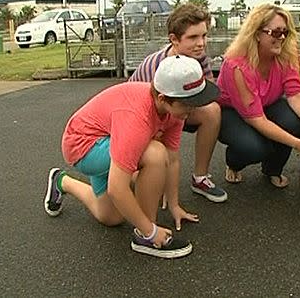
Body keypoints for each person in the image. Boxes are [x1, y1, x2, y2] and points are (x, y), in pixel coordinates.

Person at [44, 55, 219, 259]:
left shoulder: (174, 111)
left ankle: (62, 182)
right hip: (83, 147)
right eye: (188, 104)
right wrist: (151, 231)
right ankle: (145, 238)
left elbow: (173, 159)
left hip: (110, 137)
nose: (193, 109)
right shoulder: (137, 118)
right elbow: (117, 188)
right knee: (154, 154)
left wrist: (174, 204)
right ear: (162, 98)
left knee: (111, 217)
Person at [216, 3, 300, 188]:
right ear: (257, 34)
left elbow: (297, 95)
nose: (282, 38)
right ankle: (234, 163)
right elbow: (257, 119)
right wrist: (298, 144)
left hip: (266, 104)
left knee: (295, 121)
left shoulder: (288, 54)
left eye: (286, 32)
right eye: (276, 33)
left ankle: (272, 169)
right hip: (232, 111)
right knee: (255, 148)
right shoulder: (236, 65)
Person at [129, 3, 226, 203]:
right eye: (193, 37)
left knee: (212, 111)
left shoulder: (200, 59)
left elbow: (207, 95)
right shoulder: (157, 67)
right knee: (145, 170)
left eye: (204, 36)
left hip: (174, 109)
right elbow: (150, 111)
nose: (201, 43)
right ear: (174, 39)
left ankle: (200, 178)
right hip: (138, 116)